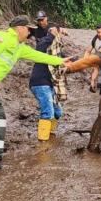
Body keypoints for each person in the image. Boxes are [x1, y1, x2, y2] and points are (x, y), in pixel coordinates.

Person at [0, 15, 71, 183]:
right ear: (19, 28)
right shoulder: (2, 36)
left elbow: (39, 56)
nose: (30, 34)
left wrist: (60, 61)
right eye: (29, 30)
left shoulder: (20, 47)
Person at [29, 12, 70, 141]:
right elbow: (40, 46)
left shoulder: (56, 54)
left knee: (58, 112)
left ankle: (50, 134)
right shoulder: (43, 48)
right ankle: (43, 142)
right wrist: (51, 36)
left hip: (49, 83)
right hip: (40, 83)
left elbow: (67, 59)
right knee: (48, 112)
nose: (41, 22)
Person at [84, 23, 101, 92]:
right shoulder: (95, 39)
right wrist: (85, 61)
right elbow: (88, 51)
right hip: (99, 56)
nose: (100, 34)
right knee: (95, 68)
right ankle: (92, 83)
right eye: (98, 32)